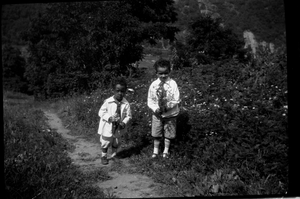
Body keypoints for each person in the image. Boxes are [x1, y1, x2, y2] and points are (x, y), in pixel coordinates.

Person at [147, 58, 180, 159]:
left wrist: (167, 107)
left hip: (170, 114)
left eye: (165, 73)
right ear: (156, 73)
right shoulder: (153, 85)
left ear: (169, 71)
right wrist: (156, 108)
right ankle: (155, 151)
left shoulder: (173, 84)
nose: (163, 75)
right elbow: (150, 100)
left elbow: (176, 99)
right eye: (160, 73)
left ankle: (166, 151)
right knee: (156, 132)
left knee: (169, 133)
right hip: (157, 114)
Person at [97, 77, 132, 165]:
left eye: (122, 91)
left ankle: (114, 155)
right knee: (105, 141)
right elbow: (101, 112)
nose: (120, 93)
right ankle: (104, 156)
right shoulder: (108, 102)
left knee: (116, 141)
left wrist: (124, 122)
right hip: (108, 125)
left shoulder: (126, 103)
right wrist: (109, 117)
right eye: (118, 91)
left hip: (118, 127)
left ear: (125, 91)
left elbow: (128, 116)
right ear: (114, 90)